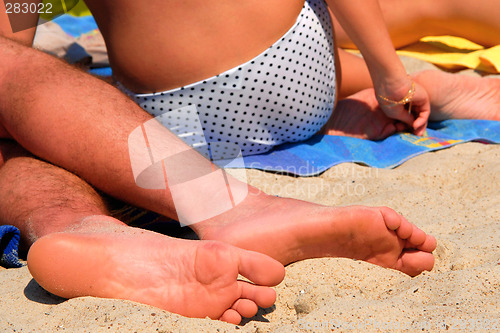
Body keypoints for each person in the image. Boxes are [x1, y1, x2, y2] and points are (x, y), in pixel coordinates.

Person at [2, 0, 495, 323]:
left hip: (178, 111)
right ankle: (423, 82)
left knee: (20, 94)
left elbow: (15, 39)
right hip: (301, 70)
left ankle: (77, 225)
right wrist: (391, 77)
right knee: (427, 8)